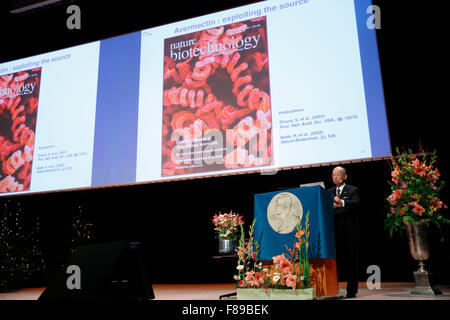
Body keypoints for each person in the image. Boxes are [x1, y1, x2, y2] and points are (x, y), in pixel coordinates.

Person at [328, 166, 360, 298]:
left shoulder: (353, 190)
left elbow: (356, 204)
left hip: (350, 231)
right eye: (333, 175)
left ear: (345, 176)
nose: (335, 177)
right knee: (335, 261)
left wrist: (341, 202)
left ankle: (351, 290)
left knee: (351, 261)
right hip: (334, 231)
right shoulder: (328, 192)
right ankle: (332, 289)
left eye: (338, 174)